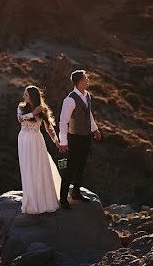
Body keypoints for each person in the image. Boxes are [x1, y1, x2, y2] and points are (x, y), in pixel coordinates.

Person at [58, 69, 101, 209]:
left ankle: (76, 193)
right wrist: (63, 142)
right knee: (70, 168)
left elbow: (88, 115)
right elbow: (63, 122)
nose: (88, 80)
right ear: (80, 82)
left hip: (85, 137)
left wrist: (94, 129)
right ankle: (63, 199)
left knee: (81, 166)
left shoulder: (87, 95)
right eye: (86, 78)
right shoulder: (70, 100)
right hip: (74, 138)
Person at [17, 85, 62, 214]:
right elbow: (20, 119)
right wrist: (33, 113)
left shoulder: (43, 109)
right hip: (24, 140)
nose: (24, 97)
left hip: (36, 140)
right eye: (24, 94)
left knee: (39, 167)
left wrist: (56, 142)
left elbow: (49, 128)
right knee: (27, 168)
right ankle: (31, 199)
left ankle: (43, 199)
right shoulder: (21, 107)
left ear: (32, 96)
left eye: (26, 95)